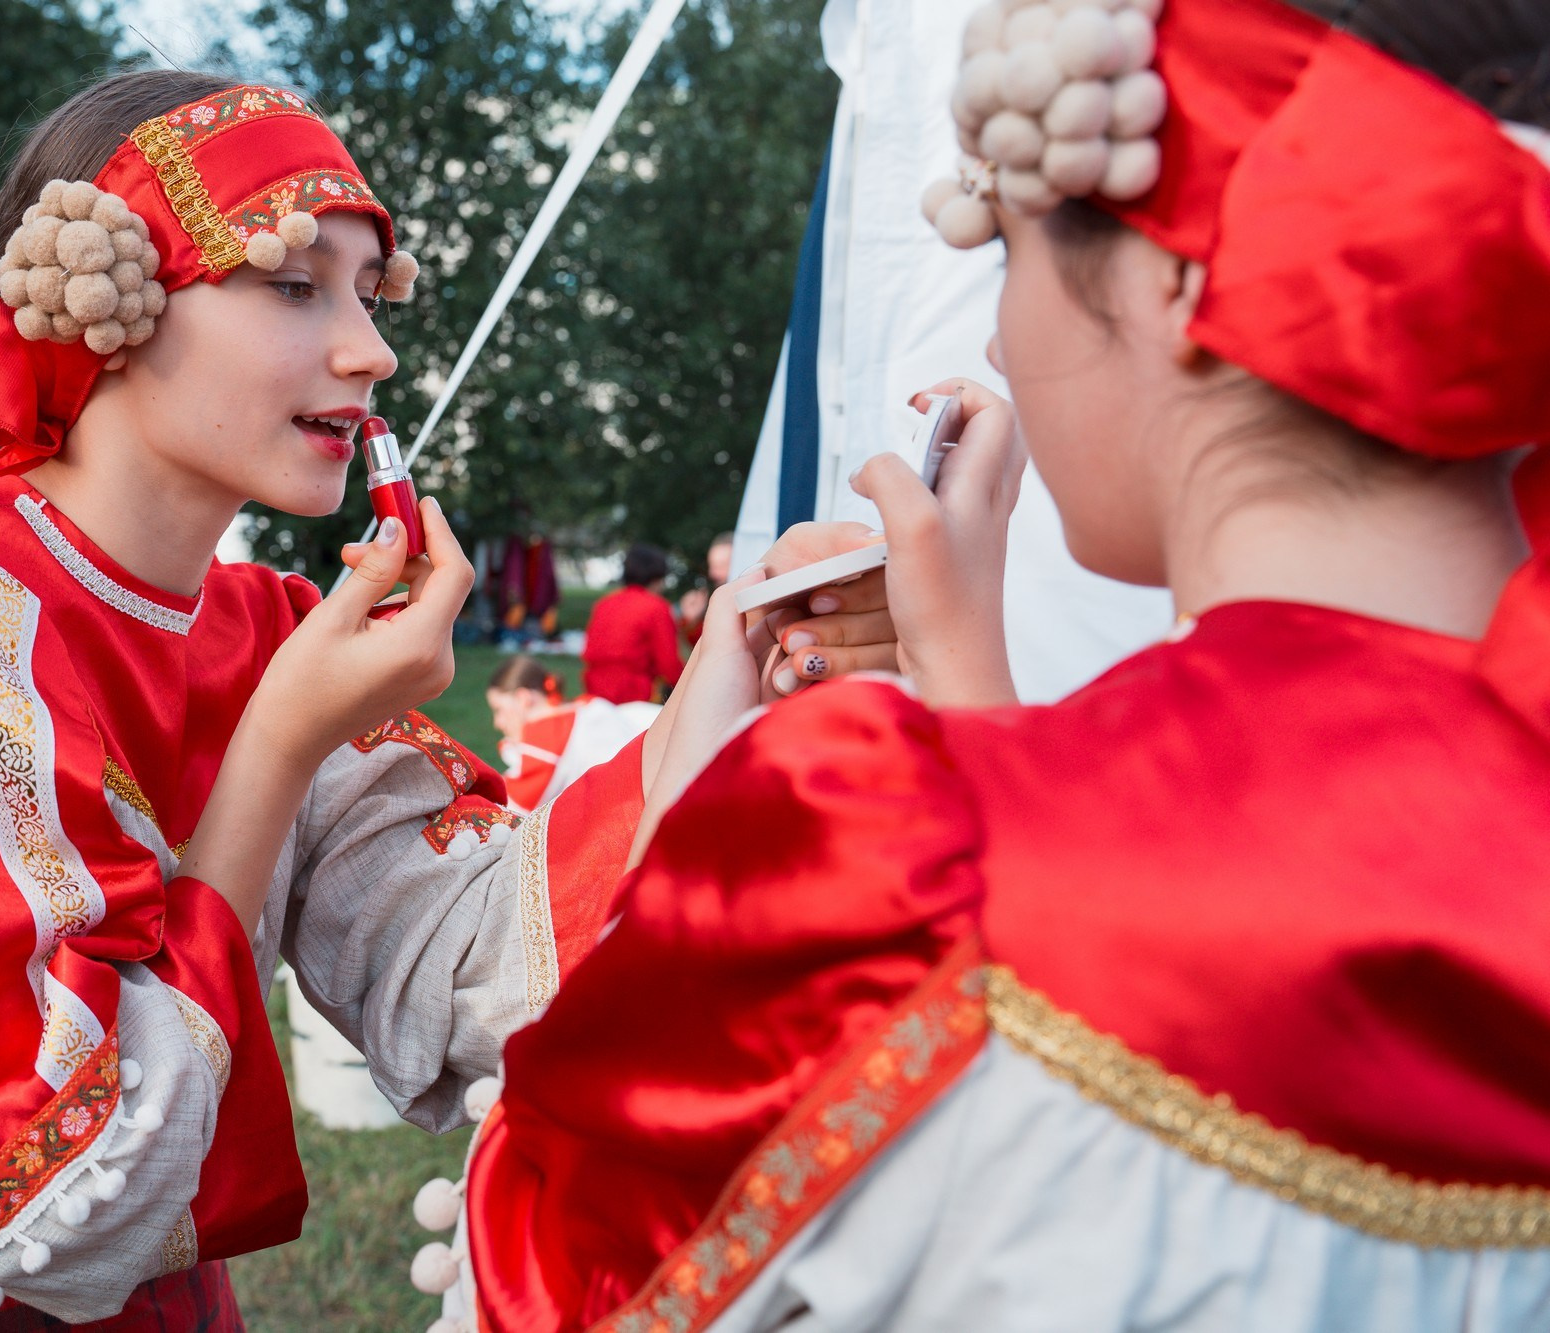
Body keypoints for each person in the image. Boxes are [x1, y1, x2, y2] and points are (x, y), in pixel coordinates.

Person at [0, 71, 892, 1332]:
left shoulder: (261, 625)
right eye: (292, 285)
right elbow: (26, 1206)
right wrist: (276, 742)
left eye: (369, 297)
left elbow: (471, 970)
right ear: (113, 302)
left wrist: (727, 679)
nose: (371, 351)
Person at [456, 1, 1550, 1329]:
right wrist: (969, 685)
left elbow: (558, 1261)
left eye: (1006, 253)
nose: (995, 339)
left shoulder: (883, 859)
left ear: (1181, 287)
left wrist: (689, 814)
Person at [486, 656, 659, 814]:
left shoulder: (549, 742)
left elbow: (504, 808)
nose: (497, 723)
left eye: (499, 710)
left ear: (523, 698)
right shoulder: (586, 708)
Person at [580, 543, 685, 703]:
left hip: (595, 692)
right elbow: (669, 665)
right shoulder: (656, 606)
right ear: (657, 578)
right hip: (635, 694)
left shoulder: (604, 604)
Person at [674, 530, 733, 647]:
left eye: (721, 566)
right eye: (712, 566)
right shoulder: (718, 601)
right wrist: (691, 620)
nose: (713, 574)